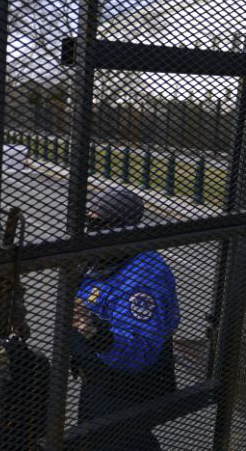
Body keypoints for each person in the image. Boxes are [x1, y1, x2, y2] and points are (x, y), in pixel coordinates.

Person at [71, 187, 180, 450]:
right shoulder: (103, 258)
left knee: (120, 442)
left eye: (98, 222)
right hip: (97, 381)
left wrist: (96, 333)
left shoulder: (142, 273)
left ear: (120, 225)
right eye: (89, 221)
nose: (91, 228)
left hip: (124, 388)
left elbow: (140, 349)